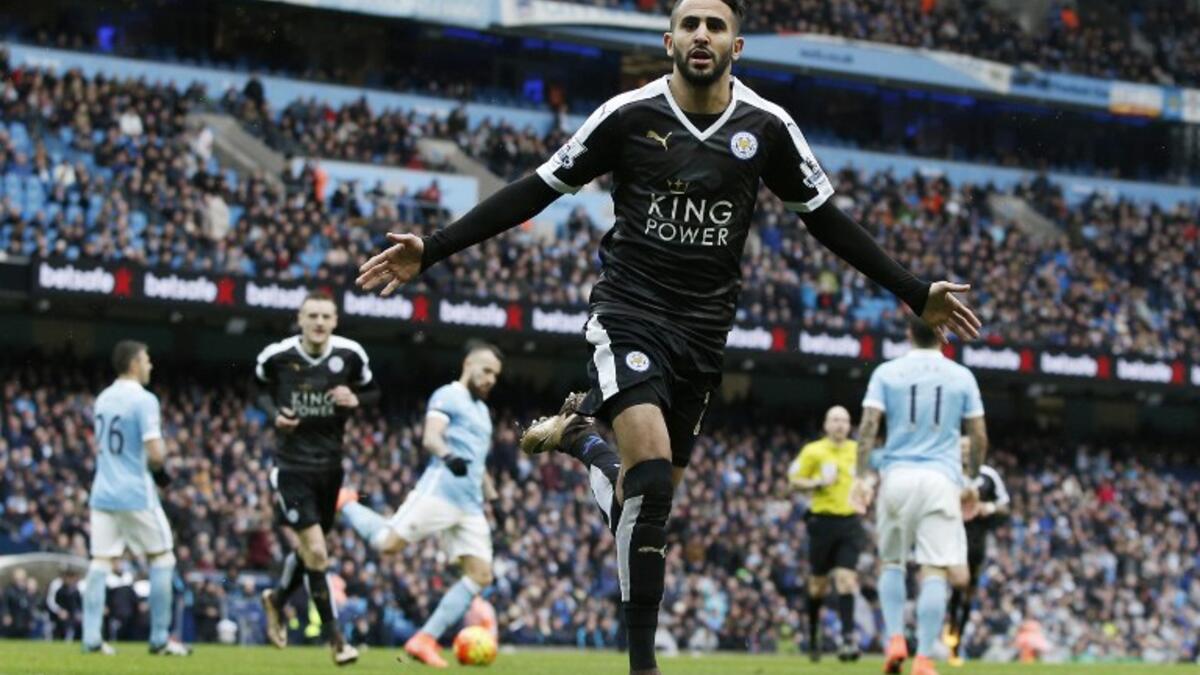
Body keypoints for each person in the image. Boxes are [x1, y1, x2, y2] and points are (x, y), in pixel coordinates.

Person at [354, 1, 980, 671]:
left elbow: (827, 221)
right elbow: (537, 188)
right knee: (650, 479)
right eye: (691, 24)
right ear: (669, 40)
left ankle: (583, 441)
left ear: (737, 44)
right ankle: (643, 664)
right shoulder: (628, 115)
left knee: (644, 500)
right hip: (629, 313)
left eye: (715, 25)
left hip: (703, 335)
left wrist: (916, 290)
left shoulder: (767, 128)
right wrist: (436, 246)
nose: (702, 35)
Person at [337, 341, 503, 668]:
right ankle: (346, 504)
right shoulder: (447, 395)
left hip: (469, 505)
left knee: (480, 575)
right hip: (440, 491)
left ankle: (424, 639)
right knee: (388, 544)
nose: (489, 379)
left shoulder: (483, 413)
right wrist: (447, 455)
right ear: (468, 363)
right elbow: (431, 437)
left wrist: (493, 498)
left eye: (495, 375)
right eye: (485, 370)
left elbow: (479, 462)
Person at [851, 317, 989, 675]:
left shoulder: (886, 372)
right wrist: (972, 478)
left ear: (908, 333)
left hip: (896, 475)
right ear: (943, 334)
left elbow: (868, 427)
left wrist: (860, 475)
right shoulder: (962, 376)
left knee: (892, 562)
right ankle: (924, 658)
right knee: (934, 570)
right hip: (941, 479)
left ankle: (896, 638)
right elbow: (978, 433)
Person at [255, 290, 378, 665]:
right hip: (291, 467)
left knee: (312, 551)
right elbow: (257, 388)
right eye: (313, 316)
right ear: (301, 319)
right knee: (318, 553)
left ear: (335, 320)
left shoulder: (351, 355)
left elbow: (373, 392)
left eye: (326, 316)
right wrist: (274, 412)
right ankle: (337, 640)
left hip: (331, 469)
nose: (320, 323)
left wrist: (357, 400)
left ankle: (276, 598)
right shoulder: (277, 356)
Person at [83, 340, 191, 656]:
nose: (150, 365)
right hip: (134, 493)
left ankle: (91, 638)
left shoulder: (103, 398)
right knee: (162, 557)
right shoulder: (144, 400)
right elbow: (155, 453)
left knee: (100, 561)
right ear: (133, 364)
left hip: (102, 491)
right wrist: (163, 469)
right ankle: (159, 639)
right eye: (146, 360)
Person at [787, 406, 862, 662]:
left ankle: (848, 639)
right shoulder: (813, 451)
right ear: (826, 424)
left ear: (850, 425)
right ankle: (813, 636)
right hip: (822, 523)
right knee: (818, 586)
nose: (840, 424)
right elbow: (793, 479)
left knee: (846, 579)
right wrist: (817, 482)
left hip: (850, 522)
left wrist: (869, 487)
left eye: (845, 420)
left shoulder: (857, 450)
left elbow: (869, 476)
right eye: (835, 420)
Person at [943, 436, 1009, 667]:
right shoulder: (945, 472)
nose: (964, 452)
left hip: (975, 540)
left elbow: (1005, 506)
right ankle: (947, 628)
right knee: (953, 584)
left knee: (968, 589)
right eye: (960, 448)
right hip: (946, 536)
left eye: (968, 448)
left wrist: (986, 507)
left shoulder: (988, 475)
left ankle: (955, 641)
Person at [46, 568, 83, 641]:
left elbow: (78, 604)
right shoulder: (59, 589)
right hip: (58, 616)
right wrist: (59, 611)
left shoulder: (76, 590)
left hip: (72, 616)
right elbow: (51, 602)